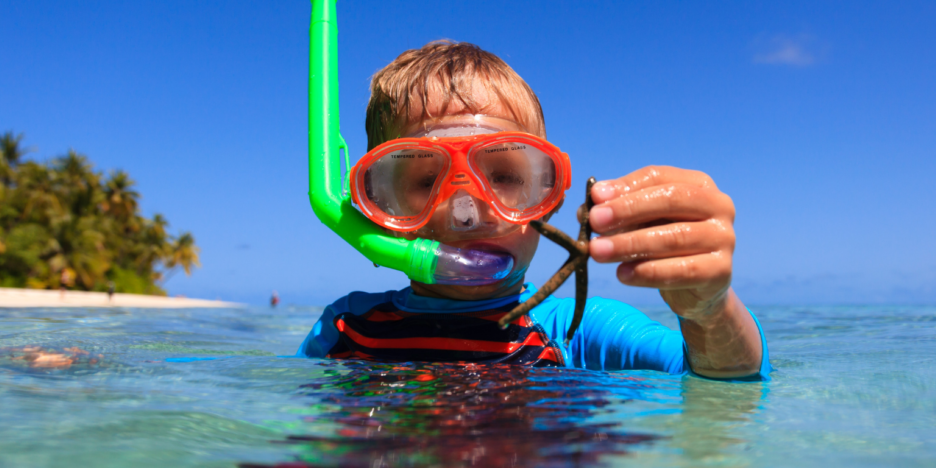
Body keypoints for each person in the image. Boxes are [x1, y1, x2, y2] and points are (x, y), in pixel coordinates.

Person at [298, 42, 766, 380]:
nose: (466, 211)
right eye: (425, 180)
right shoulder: (344, 327)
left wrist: (709, 311)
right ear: (378, 206)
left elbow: (724, 380)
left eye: (503, 176)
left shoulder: (576, 333)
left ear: (549, 194)